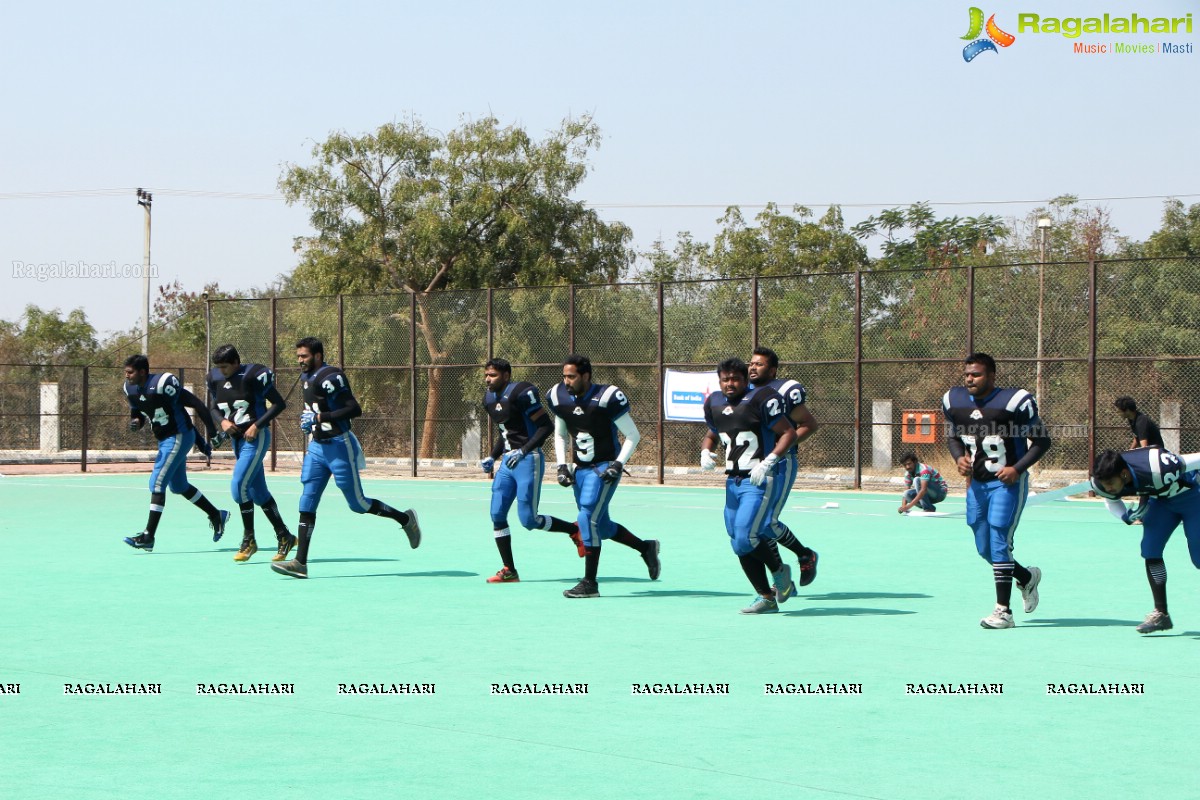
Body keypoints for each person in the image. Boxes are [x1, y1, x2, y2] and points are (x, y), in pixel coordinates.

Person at [271, 337, 422, 579]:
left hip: (339, 446)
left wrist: (319, 419)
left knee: (358, 504)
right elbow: (318, 408)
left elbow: (354, 409)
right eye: (298, 356)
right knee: (307, 499)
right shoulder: (306, 377)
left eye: (304, 356)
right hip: (317, 447)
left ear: (318, 356)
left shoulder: (332, 376)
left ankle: (405, 519)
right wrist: (309, 420)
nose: (300, 360)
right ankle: (300, 562)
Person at [942, 352, 1051, 629]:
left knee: (999, 538)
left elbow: (1041, 441)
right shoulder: (954, 401)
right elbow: (953, 435)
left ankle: (1004, 612)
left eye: (976, 374)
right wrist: (958, 458)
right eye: (967, 374)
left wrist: (1017, 468)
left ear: (992, 376)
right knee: (984, 547)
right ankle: (1026, 577)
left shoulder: (1014, 402)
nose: (969, 379)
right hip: (978, 484)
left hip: (1007, 483)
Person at [546, 354, 660, 598]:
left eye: (572, 376)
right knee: (603, 526)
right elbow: (560, 434)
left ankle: (590, 583)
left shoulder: (607, 397)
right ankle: (646, 547)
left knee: (587, 517)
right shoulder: (558, 396)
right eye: (564, 376)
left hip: (603, 467)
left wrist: (618, 464)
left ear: (586, 376)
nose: (566, 381)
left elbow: (633, 435)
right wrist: (561, 465)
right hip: (581, 470)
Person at [702, 358, 798, 614]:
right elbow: (712, 433)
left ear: (745, 379)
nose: (729, 384)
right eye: (725, 379)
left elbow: (788, 432)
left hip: (757, 479)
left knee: (747, 535)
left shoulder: (762, 398)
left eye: (735, 379)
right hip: (732, 481)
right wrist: (705, 451)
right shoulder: (714, 402)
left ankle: (780, 572)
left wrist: (769, 461)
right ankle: (766, 597)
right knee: (737, 542)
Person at [480, 357, 586, 583]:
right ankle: (509, 569)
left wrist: (524, 450)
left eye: (493, 375)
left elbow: (545, 426)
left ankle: (573, 530)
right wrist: (492, 455)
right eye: (486, 375)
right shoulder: (489, 399)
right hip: (508, 462)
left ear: (506, 376)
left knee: (528, 521)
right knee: (497, 514)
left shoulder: (521, 393)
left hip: (528, 459)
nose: (488, 379)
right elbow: (505, 433)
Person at [122, 354, 229, 551]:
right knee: (179, 486)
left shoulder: (163, 383)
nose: (127, 376)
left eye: (130, 372)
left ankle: (148, 536)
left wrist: (209, 435)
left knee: (157, 482)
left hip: (178, 435)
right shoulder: (129, 389)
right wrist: (137, 422)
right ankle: (216, 514)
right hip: (165, 438)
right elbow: (138, 413)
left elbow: (197, 405)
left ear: (143, 372)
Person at [1091, 447, 1200, 634]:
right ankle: (1161, 614)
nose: (1107, 487)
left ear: (1124, 474)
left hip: (1194, 497)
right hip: (1162, 502)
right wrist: (1125, 516)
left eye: (1110, 483)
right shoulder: (1102, 481)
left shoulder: (1157, 465)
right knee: (1150, 549)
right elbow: (1111, 500)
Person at [206, 344, 296, 563]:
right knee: (258, 492)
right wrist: (223, 421)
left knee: (238, 487)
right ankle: (284, 535)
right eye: (218, 367)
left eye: (225, 367)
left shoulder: (253, 375)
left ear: (236, 362)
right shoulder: (215, 378)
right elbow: (213, 407)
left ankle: (249, 539)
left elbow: (278, 404)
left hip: (256, 437)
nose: (222, 371)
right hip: (237, 440)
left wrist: (257, 425)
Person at [747, 346, 820, 585]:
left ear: (773, 369)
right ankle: (780, 576)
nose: (753, 367)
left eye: (759, 364)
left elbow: (809, 423)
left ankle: (804, 554)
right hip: (753, 464)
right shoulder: (745, 392)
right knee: (756, 525)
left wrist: (782, 448)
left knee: (768, 522)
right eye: (751, 363)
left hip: (781, 462)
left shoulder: (786, 389)